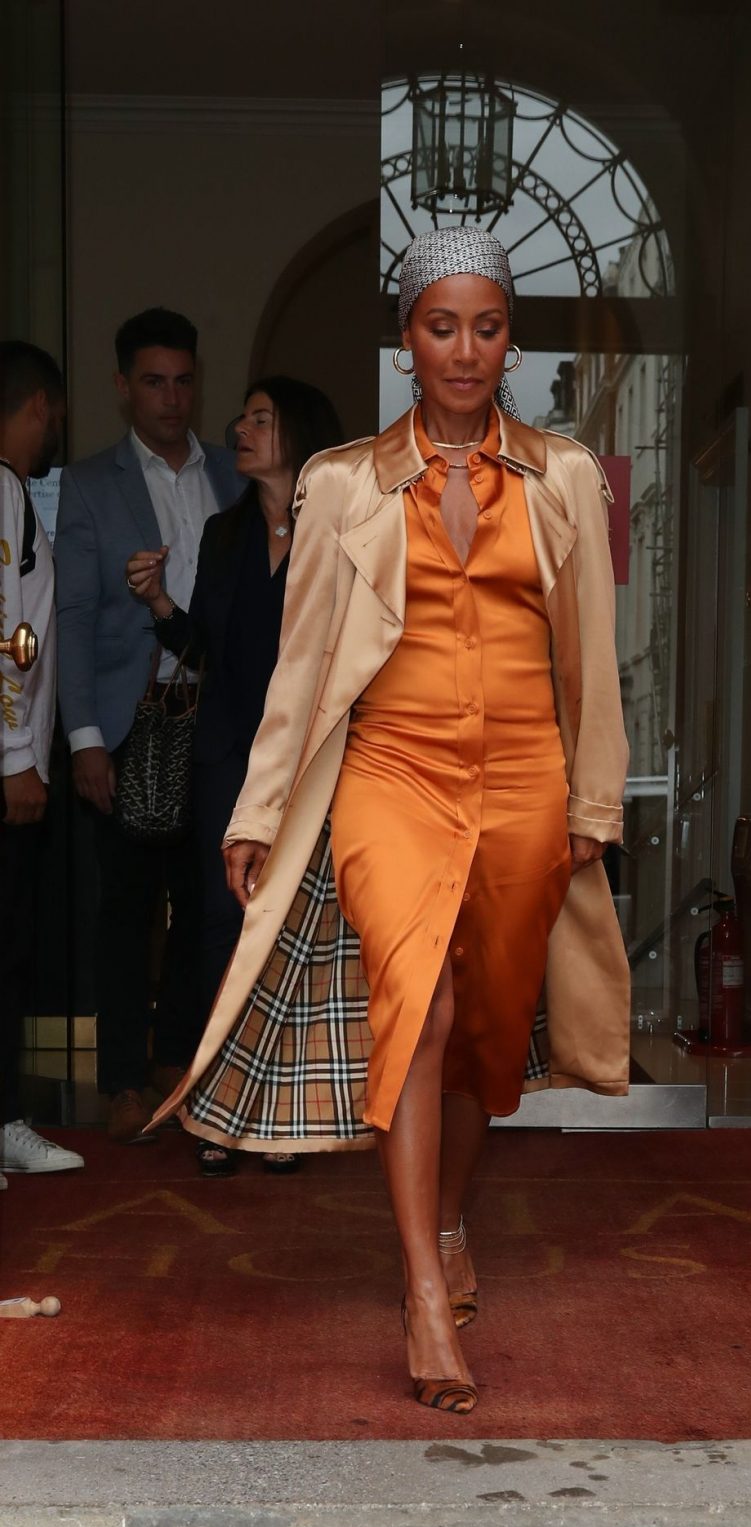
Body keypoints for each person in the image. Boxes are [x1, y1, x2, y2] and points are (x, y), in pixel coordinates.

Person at [150, 230, 630, 1415]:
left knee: (487, 1032)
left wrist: (592, 799)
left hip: (523, 776)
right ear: (406, 339)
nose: (464, 350)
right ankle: (421, 1284)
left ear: (509, 340)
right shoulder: (343, 483)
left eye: (486, 328)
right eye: (440, 327)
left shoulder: (565, 475)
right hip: (390, 769)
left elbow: (593, 658)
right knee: (418, 1004)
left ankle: (450, 1215)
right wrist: (262, 806)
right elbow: (304, 662)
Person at [124, 375, 343, 1175]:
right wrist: (158, 605)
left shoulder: (339, 532)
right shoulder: (224, 534)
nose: (240, 430)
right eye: (243, 418)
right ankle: (219, 1107)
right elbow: (206, 650)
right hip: (225, 760)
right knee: (222, 924)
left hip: (308, 763)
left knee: (294, 930)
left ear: (298, 433)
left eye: (260, 419)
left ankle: (278, 1109)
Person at [54, 308, 244, 1144]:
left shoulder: (234, 476)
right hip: (127, 722)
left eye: (184, 381)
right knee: (126, 912)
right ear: (124, 386)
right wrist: (84, 740)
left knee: (209, 903)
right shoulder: (91, 484)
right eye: (155, 382)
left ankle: (178, 1064)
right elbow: (70, 617)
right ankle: (124, 1079)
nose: (172, 398)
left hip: (218, 721)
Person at [0, 341, 83, 1180]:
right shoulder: (3, 490)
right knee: (5, 949)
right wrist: (17, 757)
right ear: (35, 407)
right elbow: (7, 633)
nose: (55, 428)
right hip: (7, 765)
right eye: (53, 415)